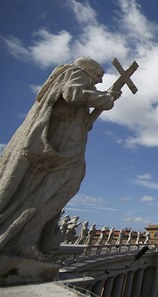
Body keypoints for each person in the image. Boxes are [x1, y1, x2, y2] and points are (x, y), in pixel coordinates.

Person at [0, 57, 120, 259]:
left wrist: (96, 107)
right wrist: (105, 98)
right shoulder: (74, 73)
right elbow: (73, 94)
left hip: (64, 152)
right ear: (87, 69)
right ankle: (25, 239)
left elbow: (81, 120)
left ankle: (27, 238)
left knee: (61, 188)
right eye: (99, 75)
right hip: (58, 152)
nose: (99, 81)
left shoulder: (78, 80)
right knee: (60, 188)